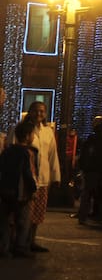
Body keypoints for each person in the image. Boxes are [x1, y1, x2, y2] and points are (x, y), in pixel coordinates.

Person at [14, 101, 61, 253]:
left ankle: (32, 241)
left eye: (42, 111)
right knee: (24, 213)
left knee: (37, 214)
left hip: (43, 179)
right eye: (36, 111)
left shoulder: (48, 132)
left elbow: (52, 156)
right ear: (30, 112)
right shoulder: (22, 129)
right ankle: (21, 243)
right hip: (27, 179)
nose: (39, 114)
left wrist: (56, 177)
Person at [0, 120, 37, 256]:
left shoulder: (7, 151)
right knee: (23, 220)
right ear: (27, 136)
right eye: (33, 134)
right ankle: (20, 247)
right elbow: (27, 173)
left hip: (5, 191)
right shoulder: (27, 153)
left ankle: (4, 247)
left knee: (4, 221)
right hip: (21, 193)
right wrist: (33, 189)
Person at [76, 117, 102, 225]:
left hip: (92, 170)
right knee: (99, 194)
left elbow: (85, 154)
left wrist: (83, 167)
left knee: (88, 194)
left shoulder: (92, 139)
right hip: (100, 171)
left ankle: (84, 216)